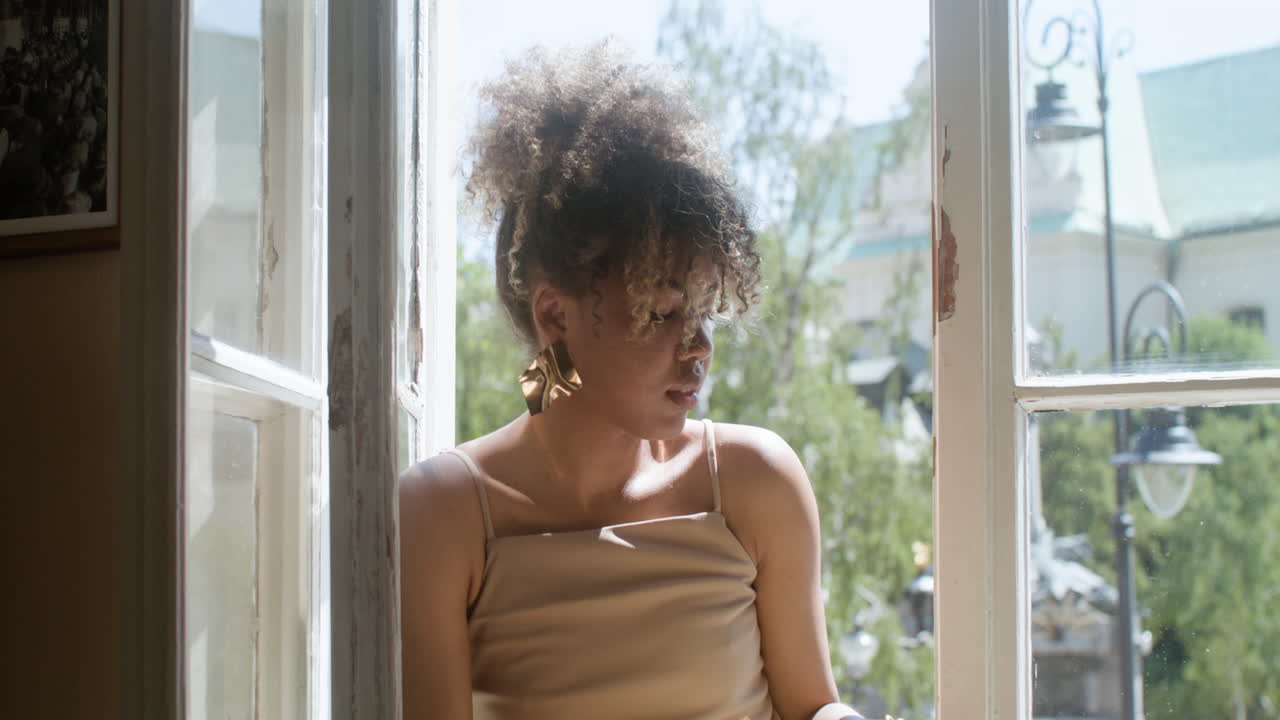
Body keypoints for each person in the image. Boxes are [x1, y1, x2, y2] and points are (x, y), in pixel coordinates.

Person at [399, 40, 866, 720]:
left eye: (705, 313)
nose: (699, 348)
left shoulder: (755, 480)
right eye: (663, 312)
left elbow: (813, 708)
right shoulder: (443, 513)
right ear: (556, 316)